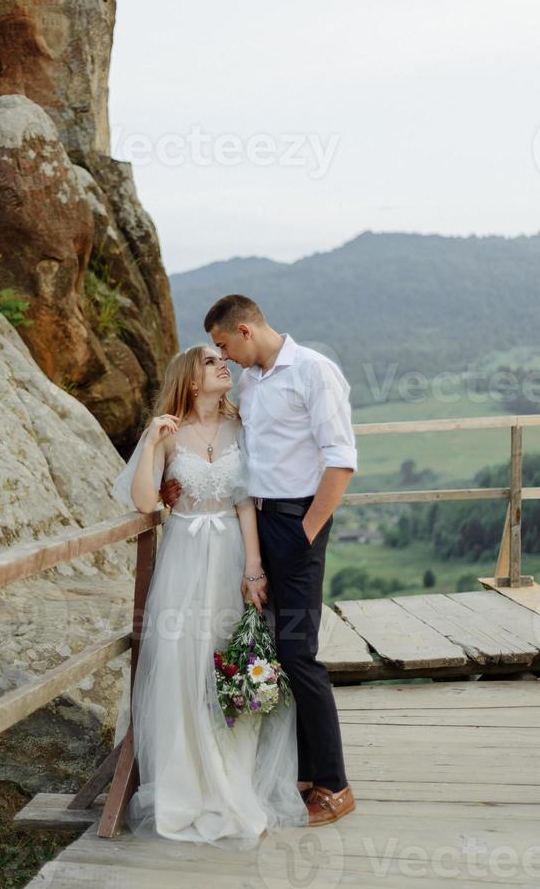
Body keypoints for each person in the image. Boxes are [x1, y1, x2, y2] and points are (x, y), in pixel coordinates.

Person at [161, 295, 358, 826]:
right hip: (253, 524)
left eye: (224, 345)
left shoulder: (314, 372)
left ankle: (335, 785)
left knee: (299, 652)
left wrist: (306, 533)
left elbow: (340, 462)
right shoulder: (251, 383)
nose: (224, 357)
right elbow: (227, 449)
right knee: (265, 643)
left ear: (244, 330)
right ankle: (296, 771)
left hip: (296, 522)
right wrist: (180, 483)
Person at [111, 344, 308, 850]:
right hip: (182, 561)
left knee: (230, 659)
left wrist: (254, 568)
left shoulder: (239, 428)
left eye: (225, 359)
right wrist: (153, 443)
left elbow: (245, 503)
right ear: (191, 380)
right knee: (181, 662)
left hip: (229, 558)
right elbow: (142, 500)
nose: (224, 364)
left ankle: (232, 778)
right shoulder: (169, 432)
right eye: (210, 361)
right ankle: (187, 782)